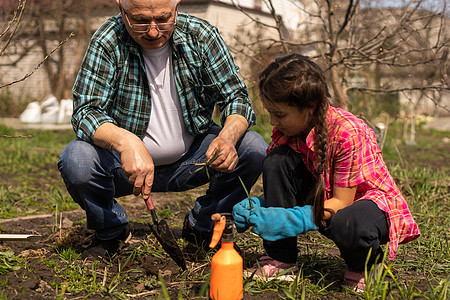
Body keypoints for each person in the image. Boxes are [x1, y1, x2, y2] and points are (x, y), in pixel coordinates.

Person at [57, 0, 267, 261]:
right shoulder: (108, 40)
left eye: (163, 19)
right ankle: (111, 231)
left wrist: (227, 137)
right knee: (76, 158)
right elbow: (85, 111)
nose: (154, 32)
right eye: (141, 21)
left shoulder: (201, 35)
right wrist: (127, 143)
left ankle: (203, 225)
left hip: (193, 160)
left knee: (253, 148)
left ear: (176, 5)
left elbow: (236, 97)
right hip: (124, 168)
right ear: (121, 9)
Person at [232, 54, 420, 291]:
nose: (271, 121)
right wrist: (258, 205)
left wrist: (295, 219)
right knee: (276, 161)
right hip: (327, 198)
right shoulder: (291, 131)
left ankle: (365, 265)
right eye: (270, 112)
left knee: (347, 222)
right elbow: (289, 187)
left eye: (279, 114)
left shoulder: (347, 132)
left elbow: (342, 202)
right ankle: (281, 260)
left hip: (365, 207)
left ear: (309, 107)